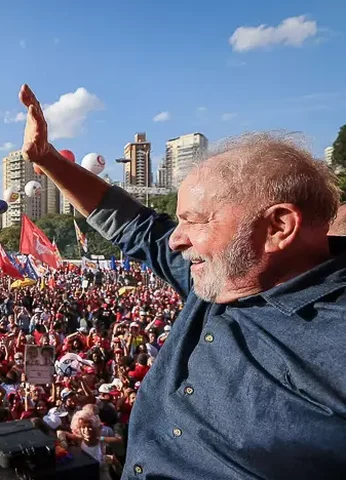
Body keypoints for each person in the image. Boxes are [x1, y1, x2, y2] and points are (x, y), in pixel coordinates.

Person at [18, 83, 346, 478]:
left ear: (278, 226)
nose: (176, 238)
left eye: (195, 220)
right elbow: (136, 226)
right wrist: (49, 160)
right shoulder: (226, 273)